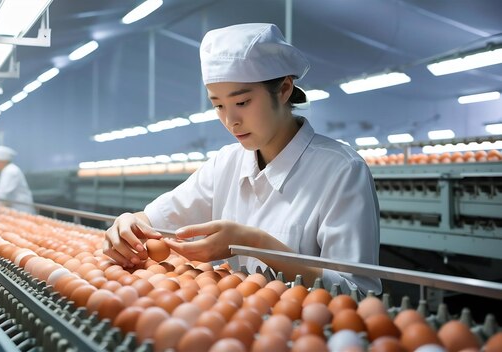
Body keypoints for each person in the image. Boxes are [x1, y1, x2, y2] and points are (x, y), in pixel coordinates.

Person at [103, 23, 381, 294]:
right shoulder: (226, 163)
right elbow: (155, 219)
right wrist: (130, 222)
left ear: (284, 89)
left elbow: (356, 292)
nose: (230, 121)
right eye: (218, 105)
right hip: (231, 329)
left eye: (242, 102)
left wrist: (251, 241)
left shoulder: (341, 170)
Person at [0, 146, 36, 214]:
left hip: (21, 210)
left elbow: (2, 193)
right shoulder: (8, 170)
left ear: (1, 160)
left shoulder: (10, 171)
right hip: (16, 209)